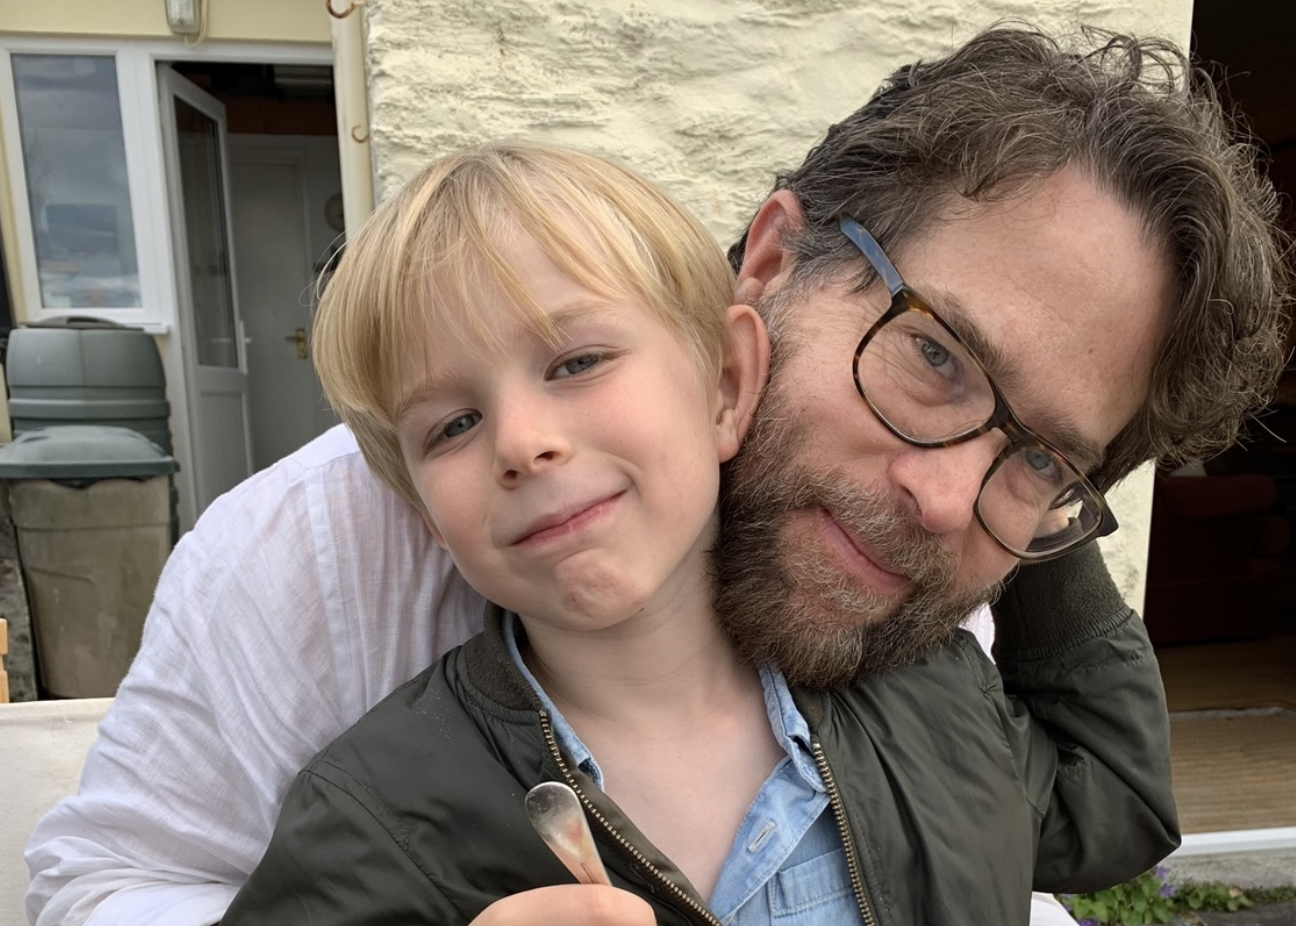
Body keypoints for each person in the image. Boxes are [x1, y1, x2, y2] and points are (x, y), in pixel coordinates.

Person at [24, 23, 1288, 926]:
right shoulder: (314, 559)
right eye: (937, 356)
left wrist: (1033, 485)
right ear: (769, 272)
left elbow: (1076, 817)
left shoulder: (937, 612)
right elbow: (104, 882)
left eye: (1043, 453)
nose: (942, 496)